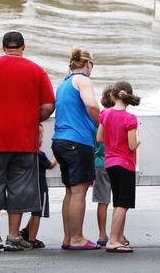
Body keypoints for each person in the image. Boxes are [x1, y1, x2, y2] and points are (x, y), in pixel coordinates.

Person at [0, 31, 55, 252]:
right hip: (24, 141)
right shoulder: (37, 70)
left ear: (3, 47)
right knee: (19, 188)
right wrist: (31, 119)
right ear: (23, 47)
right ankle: (14, 236)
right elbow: (48, 106)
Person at [52, 48, 100, 250]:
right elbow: (91, 104)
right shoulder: (83, 80)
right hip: (77, 141)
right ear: (88, 64)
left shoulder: (63, 84)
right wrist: (100, 123)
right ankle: (77, 238)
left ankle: (68, 237)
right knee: (79, 192)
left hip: (60, 141)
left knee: (70, 191)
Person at [97, 82, 140, 253]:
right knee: (124, 203)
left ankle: (119, 236)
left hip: (109, 162)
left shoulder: (105, 114)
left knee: (117, 201)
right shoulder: (130, 118)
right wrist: (138, 140)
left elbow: (99, 138)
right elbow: (131, 145)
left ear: (112, 96)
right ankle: (113, 240)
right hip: (125, 163)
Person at [20, 124, 57, 249]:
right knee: (37, 213)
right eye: (40, 136)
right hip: (40, 187)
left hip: (26, 186)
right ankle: (31, 240)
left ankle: (25, 231)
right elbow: (50, 165)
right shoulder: (39, 154)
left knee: (33, 211)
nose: (41, 138)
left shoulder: (24, 153)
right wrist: (55, 155)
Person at [93, 85, 114, 246]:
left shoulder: (98, 117)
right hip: (117, 161)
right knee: (120, 201)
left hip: (99, 162)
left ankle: (102, 234)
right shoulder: (120, 116)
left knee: (103, 200)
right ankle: (117, 233)